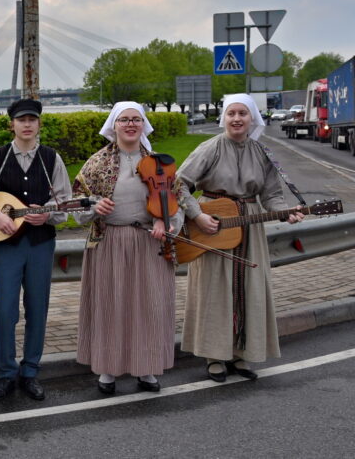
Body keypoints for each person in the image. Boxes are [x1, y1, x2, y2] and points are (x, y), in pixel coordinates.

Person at [176, 94, 304, 382]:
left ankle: (241, 354)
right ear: (224, 117)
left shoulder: (262, 152)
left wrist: (285, 213)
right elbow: (179, 185)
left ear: (252, 119)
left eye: (242, 114)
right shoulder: (209, 148)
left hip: (250, 227)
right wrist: (197, 215)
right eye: (231, 113)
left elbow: (271, 194)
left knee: (248, 289)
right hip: (213, 225)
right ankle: (214, 356)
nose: (236, 119)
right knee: (215, 291)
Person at [0, 98, 71, 402]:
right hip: (8, 245)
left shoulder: (52, 159)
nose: (27, 125)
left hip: (41, 244)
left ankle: (31, 371)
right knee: (4, 310)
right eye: (21, 120)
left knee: (37, 309)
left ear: (38, 124)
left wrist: (48, 214)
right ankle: (6, 373)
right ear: (11, 124)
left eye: (32, 120)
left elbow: (65, 203)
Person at [72, 101, 181, 395]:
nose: (131, 124)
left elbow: (177, 202)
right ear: (114, 125)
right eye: (124, 120)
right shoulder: (96, 163)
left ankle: (145, 368)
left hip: (149, 242)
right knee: (111, 306)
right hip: (110, 243)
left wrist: (165, 222)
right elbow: (77, 207)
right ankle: (108, 370)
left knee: (147, 307)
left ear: (144, 124)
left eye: (136, 119)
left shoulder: (162, 163)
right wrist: (95, 207)